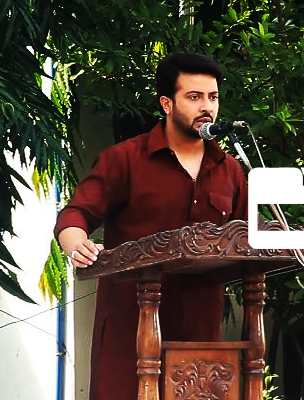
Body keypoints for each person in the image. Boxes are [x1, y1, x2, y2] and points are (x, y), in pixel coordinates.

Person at [54, 52, 248, 400]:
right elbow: (75, 215)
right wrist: (77, 245)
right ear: (166, 103)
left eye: (213, 97)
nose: (207, 107)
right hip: (129, 331)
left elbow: (247, 238)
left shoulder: (230, 169)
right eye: (194, 96)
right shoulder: (124, 159)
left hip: (199, 336)